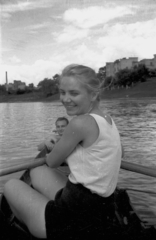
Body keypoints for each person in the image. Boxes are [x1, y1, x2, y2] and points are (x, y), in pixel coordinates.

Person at [3, 64, 122, 239]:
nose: (65, 99)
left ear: (93, 94)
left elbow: (52, 162)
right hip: (102, 209)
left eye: (74, 93)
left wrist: (52, 144)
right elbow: (116, 152)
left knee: (10, 186)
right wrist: (73, 146)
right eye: (62, 92)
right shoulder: (108, 120)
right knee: (37, 172)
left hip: (72, 219)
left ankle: (32, 226)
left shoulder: (80, 123)